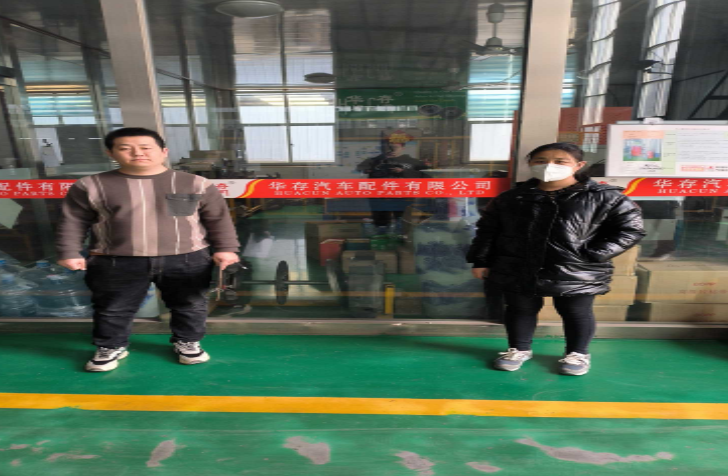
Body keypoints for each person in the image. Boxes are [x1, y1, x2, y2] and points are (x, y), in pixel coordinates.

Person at [56, 127, 240, 372]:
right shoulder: (91, 185)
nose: (137, 153)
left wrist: (226, 249)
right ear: (110, 153)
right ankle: (110, 346)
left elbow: (218, 219)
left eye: (145, 147)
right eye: (125, 148)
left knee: (190, 304)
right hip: (115, 260)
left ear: (163, 151)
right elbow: (73, 221)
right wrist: (69, 251)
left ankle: (188, 342)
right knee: (113, 308)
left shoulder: (195, 183)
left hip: (187, 258)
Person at [467, 143, 645, 376]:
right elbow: (488, 230)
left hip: (577, 267)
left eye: (560, 161)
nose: (549, 166)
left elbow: (630, 229)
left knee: (575, 311)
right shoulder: (512, 198)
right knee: (520, 308)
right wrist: (481, 260)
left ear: (579, 165)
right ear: (530, 164)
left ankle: (577, 354)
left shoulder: (605, 197)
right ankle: (519, 349)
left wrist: (594, 254)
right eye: (540, 161)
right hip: (517, 265)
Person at [356, 134, 430, 227]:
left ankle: (402, 233)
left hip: (403, 198)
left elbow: (426, 176)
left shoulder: (413, 162)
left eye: (395, 147)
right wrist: (381, 159)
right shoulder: (377, 160)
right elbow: (361, 168)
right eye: (389, 147)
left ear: (403, 147)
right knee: (381, 223)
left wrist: (404, 172)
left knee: (403, 223)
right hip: (380, 197)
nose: (391, 150)